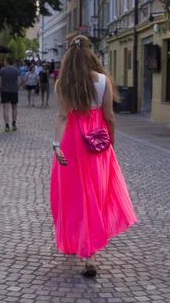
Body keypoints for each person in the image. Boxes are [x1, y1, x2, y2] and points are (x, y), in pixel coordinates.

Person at [50, 35, 137, 278]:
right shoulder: (103, 81)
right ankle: (90, 255)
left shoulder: (62, 83)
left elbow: (61, 116)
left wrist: (56, 145)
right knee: (95, 194)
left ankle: (79, 242)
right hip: (96, 142)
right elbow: (109, 116)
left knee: (71, 194)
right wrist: (111, 143)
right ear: (91, 54)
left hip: (70, 142)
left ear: (68, 55)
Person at [0, 56, 22, 132]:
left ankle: (7, 125)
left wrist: (0, 89)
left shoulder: (2, 70)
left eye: (4, 61)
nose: (4, 62)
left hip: (5, 91)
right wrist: (17, 88)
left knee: (6, 109)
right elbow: (19, 81)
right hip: (14, 91)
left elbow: (0, 82)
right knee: (14, 108)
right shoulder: (16, 71)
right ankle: (14, 124)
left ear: (7, 62)